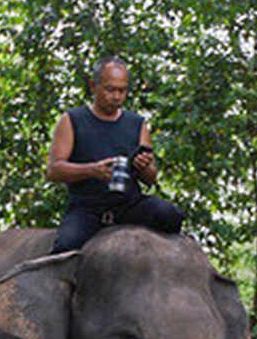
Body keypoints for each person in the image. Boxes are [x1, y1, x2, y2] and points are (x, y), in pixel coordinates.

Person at [46, 57, 185, 252]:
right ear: (93, 86)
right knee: (66, 246)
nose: (117, 96)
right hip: (87, 208)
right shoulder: (72, 120)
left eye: (122, 90)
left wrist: (143, 166)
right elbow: (54, 170)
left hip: (129, 205)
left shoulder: (137, 124)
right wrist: (91, 170)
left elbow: (151, 178)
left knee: (171, 215)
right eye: (110, 89)